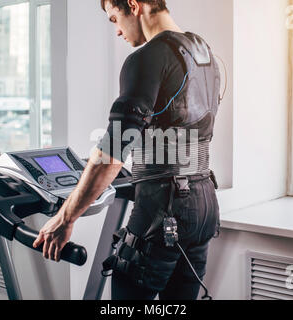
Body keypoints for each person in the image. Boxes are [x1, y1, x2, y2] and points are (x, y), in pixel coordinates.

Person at [33, 0, 221, 300]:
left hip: (164, 210)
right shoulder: (206, 55)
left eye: (114, 18)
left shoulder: (146, 58)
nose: (117, 31)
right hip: (204, 205)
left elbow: (112, 152)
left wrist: (65, 218)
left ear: (133, 5)